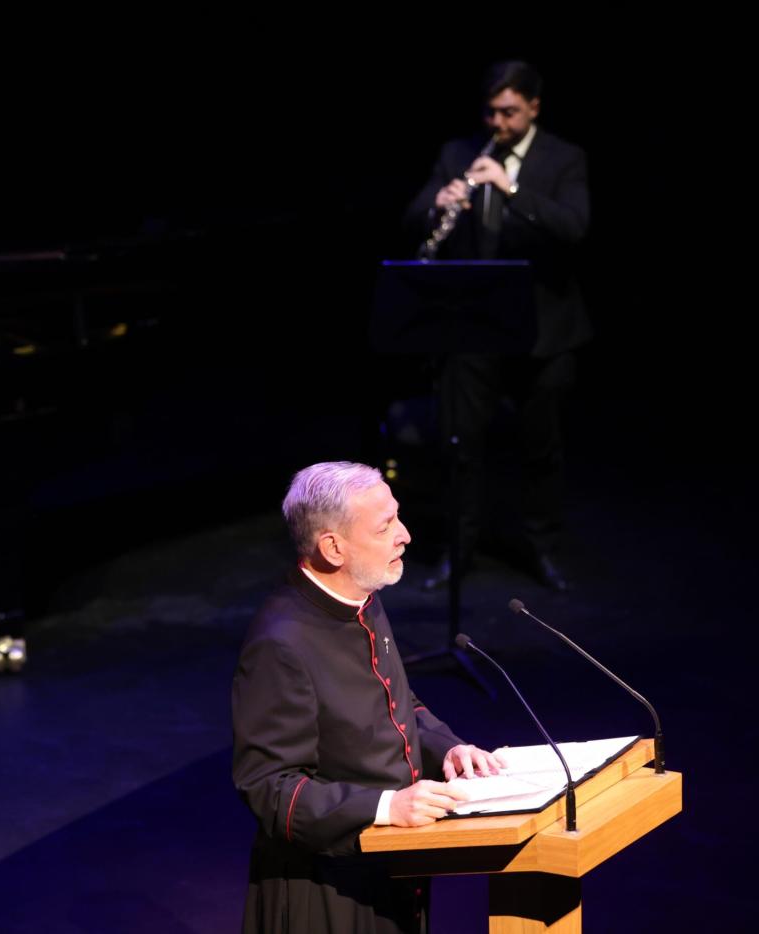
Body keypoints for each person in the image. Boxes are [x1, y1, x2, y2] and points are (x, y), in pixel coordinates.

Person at [232, 461, 504, 933]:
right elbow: (270, 788)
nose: (406, 535)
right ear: (333, 547)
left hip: (394, 867)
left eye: (397, 517)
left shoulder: (363, 595)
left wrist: (449, 749)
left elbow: (397, 703)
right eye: (385, 527)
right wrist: (385, 808)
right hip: (326, 891)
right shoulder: (280, 643)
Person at [404, 61, 590, 593]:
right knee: (460, 444)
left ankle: (542, 549)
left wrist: (509, 189)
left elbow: (574, 227)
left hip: (543, 329)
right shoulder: (457, 153)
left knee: (540, 447)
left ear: (533, 107)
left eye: (509, 111)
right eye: (491, 110)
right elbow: (413, 217)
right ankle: (457, 553)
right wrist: (436, 205)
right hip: (472, 326)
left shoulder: (564, 158)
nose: (497, 122)